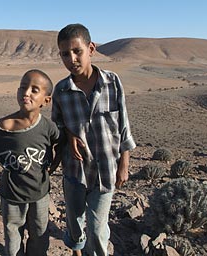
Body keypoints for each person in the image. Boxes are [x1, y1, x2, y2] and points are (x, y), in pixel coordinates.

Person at [51, 23, 136, 256]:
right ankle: (76, 250)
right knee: (75, 222)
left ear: (91, 49)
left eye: (77, 51)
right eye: (65, 54)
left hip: (106, 170)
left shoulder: (112, 82)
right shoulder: (61, 91)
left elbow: (123, 125)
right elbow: (56, 129)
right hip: (74, 171)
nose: (72, 59)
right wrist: (68, 135)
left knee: (98, 229)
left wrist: (124, 164)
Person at [0, 69, 61, 256]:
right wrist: (3, 158)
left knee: (39, 234)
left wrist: (54, 162)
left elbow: (60, 141)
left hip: (40, 193)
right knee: (13, 234)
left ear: (47, 100)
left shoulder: (47, 126)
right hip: (12, 194)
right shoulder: (5, 125)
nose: (26, 92)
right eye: (22, 87)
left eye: (34, 89)